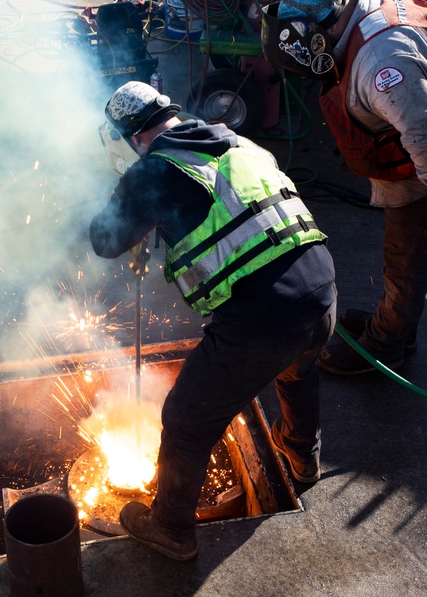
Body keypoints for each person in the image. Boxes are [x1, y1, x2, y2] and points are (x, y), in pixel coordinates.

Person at [90, 81, 337, 561]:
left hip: (262, 321)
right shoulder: (234, 140)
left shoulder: (152, 171)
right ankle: (303, 462)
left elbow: (104, 240)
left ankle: (171, 529)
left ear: (130, 137)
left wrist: (128, 189)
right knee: (297, 370)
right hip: (321, 289)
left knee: (185, 420)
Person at [260, 0, 427, 375]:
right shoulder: (360, 4)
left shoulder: (383, 63)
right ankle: (394, 323)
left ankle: (385, 347)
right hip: (426, 145)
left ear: (322, 29)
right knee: (406, 257)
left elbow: (426, 132)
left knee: (409, 258)